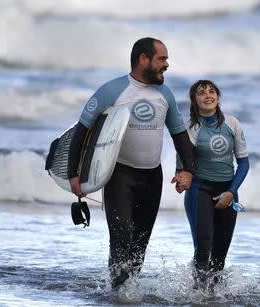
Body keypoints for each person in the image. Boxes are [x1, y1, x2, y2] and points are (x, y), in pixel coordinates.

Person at [67, 37, 194, 289]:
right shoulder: (112, 91)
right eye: (162, 59)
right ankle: (118, 292)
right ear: (143, 59)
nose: (167, 64)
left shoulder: (164, 94)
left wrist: (188, 170)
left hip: (152, 176)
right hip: (119, 175)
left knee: (140, 242)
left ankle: (128, 290)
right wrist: (74, 173)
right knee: (121, 236)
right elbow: (81, 131)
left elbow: (180, 136)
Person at [175, 80, 249, 289]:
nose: (208, 95)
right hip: (200, 191)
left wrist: (231, 192)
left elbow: (243, 163)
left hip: (228, 192)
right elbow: (182, 165)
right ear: (194, 100)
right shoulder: (189, 128)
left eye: (212, 91)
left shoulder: (232, 124)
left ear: (218, 96)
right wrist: (180, 177)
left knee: (220, 255)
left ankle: (214, 296)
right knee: (203, 247)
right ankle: (198, 296)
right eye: (201, 93)